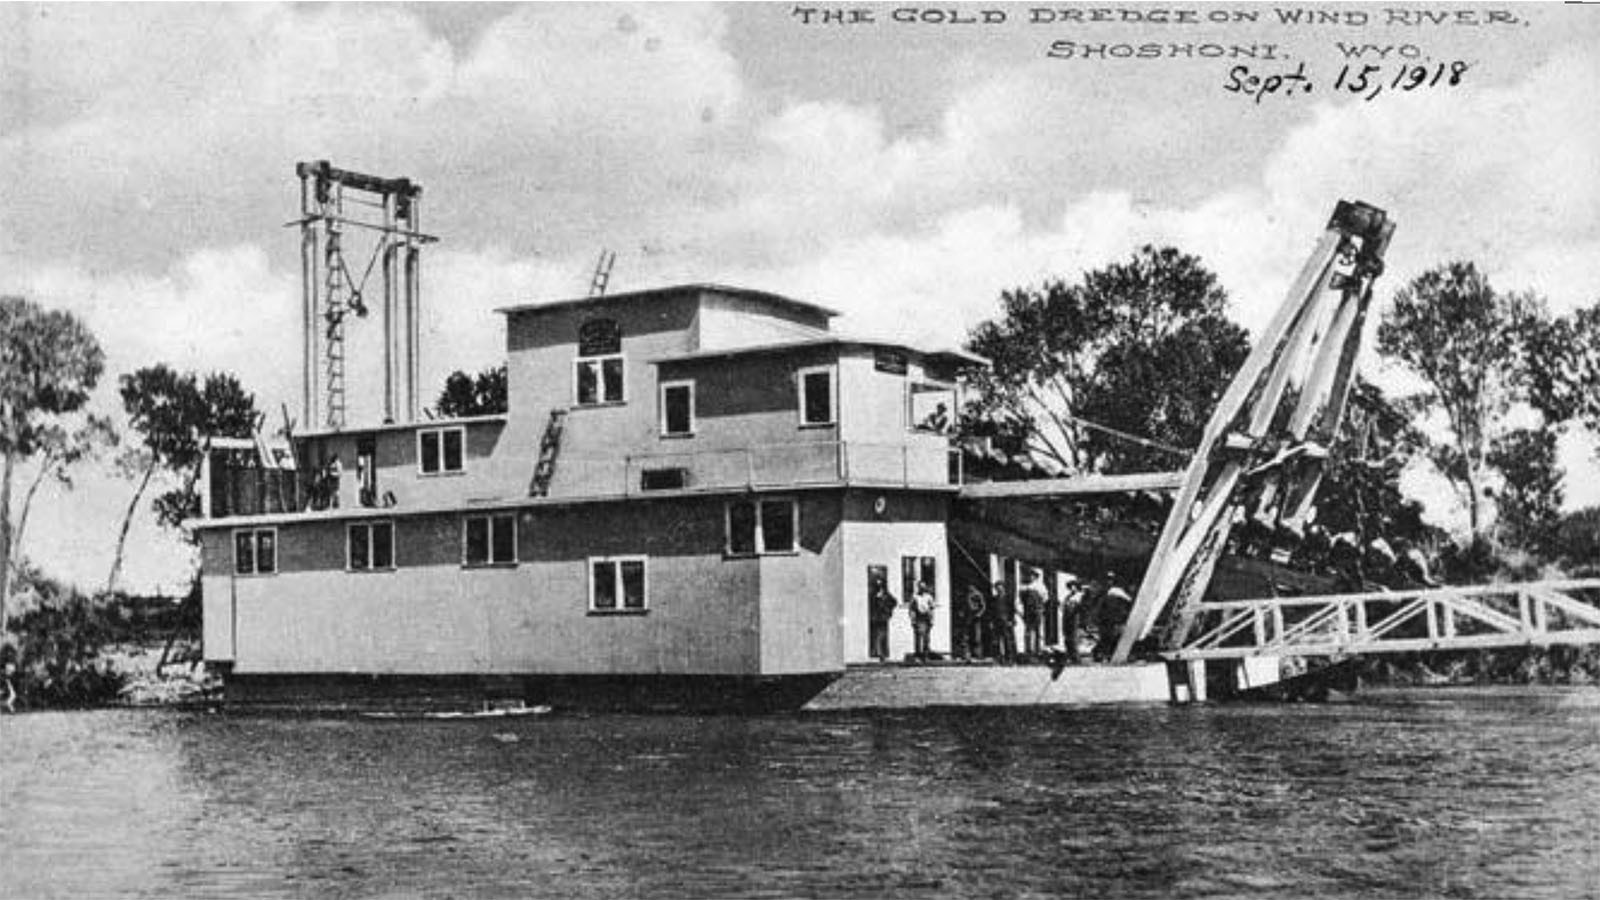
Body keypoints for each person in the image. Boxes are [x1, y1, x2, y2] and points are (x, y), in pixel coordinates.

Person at [869, 577, 898, 661]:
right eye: (878, 585)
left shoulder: (886, 594)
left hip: (883, 617)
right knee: (877, 635)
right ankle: (878, 652)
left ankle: (882, 653)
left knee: (882, 635)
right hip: (875, 617)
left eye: (881, 585)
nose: (879, 587)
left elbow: (894, 602)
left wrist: (888, 610)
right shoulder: (873, 594)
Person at [989, 579, 1016, 664]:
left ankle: (1010, 659)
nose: (999, 589)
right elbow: (991, 611)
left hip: (1006, 621)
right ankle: (998, 658)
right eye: (997, 588)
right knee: (996, 641)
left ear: (1004, 588)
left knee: (1008, 640)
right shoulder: (994, 599)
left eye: (1000, 587)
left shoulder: (1008, 599)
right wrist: (991, 622)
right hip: (996, 621)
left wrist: (1011, 620)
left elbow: (1012, 610)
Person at [1019, 570, 1045, 658]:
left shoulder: (1040, 586)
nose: (1031, 577)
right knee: (1028, 631)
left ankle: (1037, 650)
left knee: (1037, 631)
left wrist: (1040, 607)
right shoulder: (1024, 587)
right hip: (1028, 611)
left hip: (1037, 610)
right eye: (1029, 575)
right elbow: (1021, 600)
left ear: (1035, 577)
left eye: (1033, 576)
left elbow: (1045, 598)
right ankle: (1028, 651)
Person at [910, 581, 937, 662]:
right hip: (919, 617)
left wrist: (932, 619)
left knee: (926, 637)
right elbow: (912, 609)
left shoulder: (929, 597)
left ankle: (926, 655)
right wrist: (913, 620)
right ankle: (918, 655)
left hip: (926, 617)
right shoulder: (915, 597)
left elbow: (931, 608)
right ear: (918, 588)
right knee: (918, 636)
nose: (922, 589)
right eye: (920, 587)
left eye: (924, 587)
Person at [1059, 573, 1083, 664]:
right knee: (1067, 637)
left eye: (1074, 586)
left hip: (1074, 617)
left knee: (1073, 637)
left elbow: (1080, 607)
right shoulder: (1068, 597)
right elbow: (1063, 606)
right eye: (1070, 586)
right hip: (1066, 617)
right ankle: (1070, 655)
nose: (1072, 588)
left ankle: (1076, 657)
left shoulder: (1079, 596)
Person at [961, 585, 987, 661]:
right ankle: (966, 655)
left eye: (971, 587)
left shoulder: (978, 594)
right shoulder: (966, 595)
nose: (970, 588)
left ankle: (978, 654)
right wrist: (962, 612)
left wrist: (979, 614)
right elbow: (963, 605)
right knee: (965, 636)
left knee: (977, 636)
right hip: (967, 616)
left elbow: (983, 606)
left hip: (975, 616)